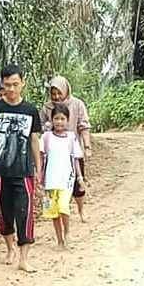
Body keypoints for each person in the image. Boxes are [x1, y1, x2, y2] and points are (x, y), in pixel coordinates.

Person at [0, 64, 42, 272]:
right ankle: (10, 248)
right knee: (3, 212)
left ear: (23, 83)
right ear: (2, 83)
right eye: (7, 85)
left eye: (15, 84)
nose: (11, 89)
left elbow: (34, 140)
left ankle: (24, 258)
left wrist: (39, 167)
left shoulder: (30, 110)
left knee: (25, 213)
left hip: (24, 171)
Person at [40, 75, 93, 222]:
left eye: (59, 93)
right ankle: (55, 212)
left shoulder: (77, 104)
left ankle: (81, 210)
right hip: (53, 154)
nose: (56, 97)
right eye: (53, 93)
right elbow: (40, 127)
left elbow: (84, 126)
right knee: (53, 184)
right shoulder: (46, 107)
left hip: (72, 151)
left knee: (77, 183)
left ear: (66, 90)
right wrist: (47, 127)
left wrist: (87, 146)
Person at [40, 103, 84, 250]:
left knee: (64, 207)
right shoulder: (46, 137)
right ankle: (59, 240)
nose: (59, 122)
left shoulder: (71, 137)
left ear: (68, 120)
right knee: (53, 212)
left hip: (66, 180)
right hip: (49, 181)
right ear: (51, 120)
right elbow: (40, 157)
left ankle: (67, 233)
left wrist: (80, 177)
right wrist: (38, 175)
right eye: (56, 118)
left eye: (62, 118)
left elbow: (75, 158)